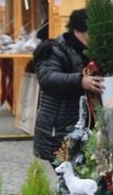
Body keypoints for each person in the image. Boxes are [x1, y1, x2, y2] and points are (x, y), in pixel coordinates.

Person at [33, 9, 104, 163]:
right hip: (59, 130)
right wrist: (80, 81)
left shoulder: (92, 50)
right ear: (78, 30)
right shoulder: (54, 49)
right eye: (92, 32)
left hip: (86, 128)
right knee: (68, 178)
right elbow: (47, 78)